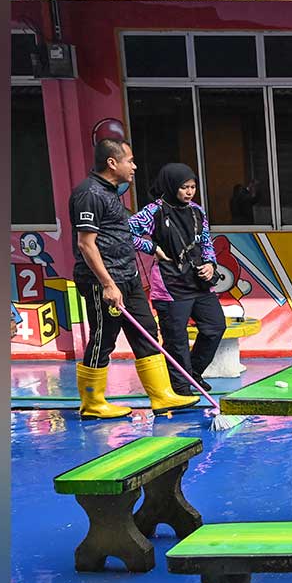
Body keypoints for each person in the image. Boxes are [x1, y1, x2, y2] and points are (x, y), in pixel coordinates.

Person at [70, 138, 200, 419]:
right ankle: (92, 402)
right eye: (130, 160)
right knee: (104, 337)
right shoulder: (89, 194)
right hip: (103, 281)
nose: (134, 166)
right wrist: (107, 284)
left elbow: (120, 233)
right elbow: (86, 244)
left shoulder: (110, 192)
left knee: (146, 329)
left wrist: (152, 248)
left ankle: (162, 395)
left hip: (127, 275)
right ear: (112, 162)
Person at [128, 163, 227, 397]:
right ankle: (181, 389)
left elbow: (205, 241)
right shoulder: (154, 211)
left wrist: (211, 266)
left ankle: (192, 372)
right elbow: (125, 232)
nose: (189, 192)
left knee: (215, 327)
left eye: (193, 187)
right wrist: (151, 247)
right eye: (184, 187)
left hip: (198, 281)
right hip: (170, 283)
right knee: (176, 339)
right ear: (172, 186)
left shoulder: (196, 211)